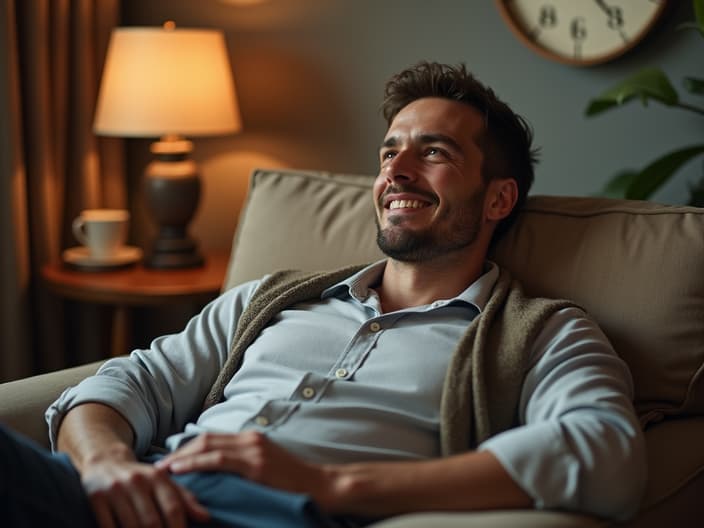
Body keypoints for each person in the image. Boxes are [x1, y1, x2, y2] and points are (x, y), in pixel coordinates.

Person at [0, 61, 646, 527]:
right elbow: (128, 382)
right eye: (390, 150)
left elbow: (604, 451)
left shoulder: (542, 332)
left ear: (499, 197)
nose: (395, 170)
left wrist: (331, 483)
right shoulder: (271, 300)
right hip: (127, 499)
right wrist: (108, 463)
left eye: (434, 152)